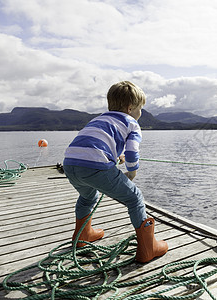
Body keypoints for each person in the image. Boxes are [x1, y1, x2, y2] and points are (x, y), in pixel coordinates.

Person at [63, 81, 168, 263]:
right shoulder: (132, 123)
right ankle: (148, 248)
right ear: (130, 108)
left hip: (70, 164)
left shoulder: (98, 119)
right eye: (140, 109)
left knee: (88, 197)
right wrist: (132, 171)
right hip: (95, 167)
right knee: (134, 197)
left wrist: (115, 156)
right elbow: (132, 152)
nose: (140, 113)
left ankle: (82, 236)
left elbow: (96, 142)